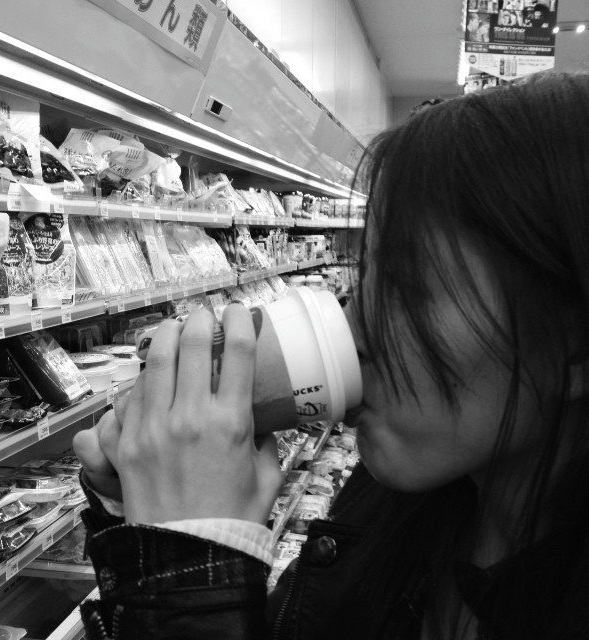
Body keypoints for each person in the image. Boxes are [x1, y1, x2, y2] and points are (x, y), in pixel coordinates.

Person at [73, 71, 589, 639]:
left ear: (573, 345)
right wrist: (150, 523)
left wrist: (186, 583)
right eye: (365, 275)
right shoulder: (388, 512)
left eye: (410, 287)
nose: (353, 330)